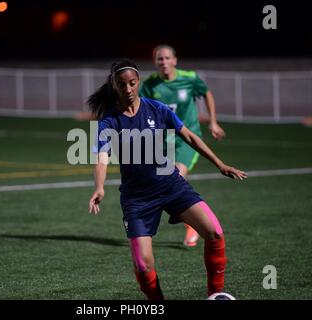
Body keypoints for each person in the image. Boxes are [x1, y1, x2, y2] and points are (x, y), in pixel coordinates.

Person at [87, 59, 247, 300]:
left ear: (138, 82)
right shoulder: (109, 121)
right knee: (143, 265)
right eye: (122, 85)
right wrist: (99, 187)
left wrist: (219, 163)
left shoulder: (157, 109)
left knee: (214, 231)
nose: (128, 89)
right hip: (137, 199)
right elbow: (101, 157)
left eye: (132, 83)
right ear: (115, 86)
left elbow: (190, 137)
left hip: (171, 185)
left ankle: (216, 294)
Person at [140, 44, 226, 247]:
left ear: (175, 60)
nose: (164, 62)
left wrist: (213, 121)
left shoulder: (190, 78)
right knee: (161, 181)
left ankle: (191, 219)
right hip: (163, 140)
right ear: (155, 62)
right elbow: (141, 108)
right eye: (160, 59)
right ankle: (189, 220)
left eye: (167, 58)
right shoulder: (149, 84)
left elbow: (207, 93)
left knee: (177, 174)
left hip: (188, 138)